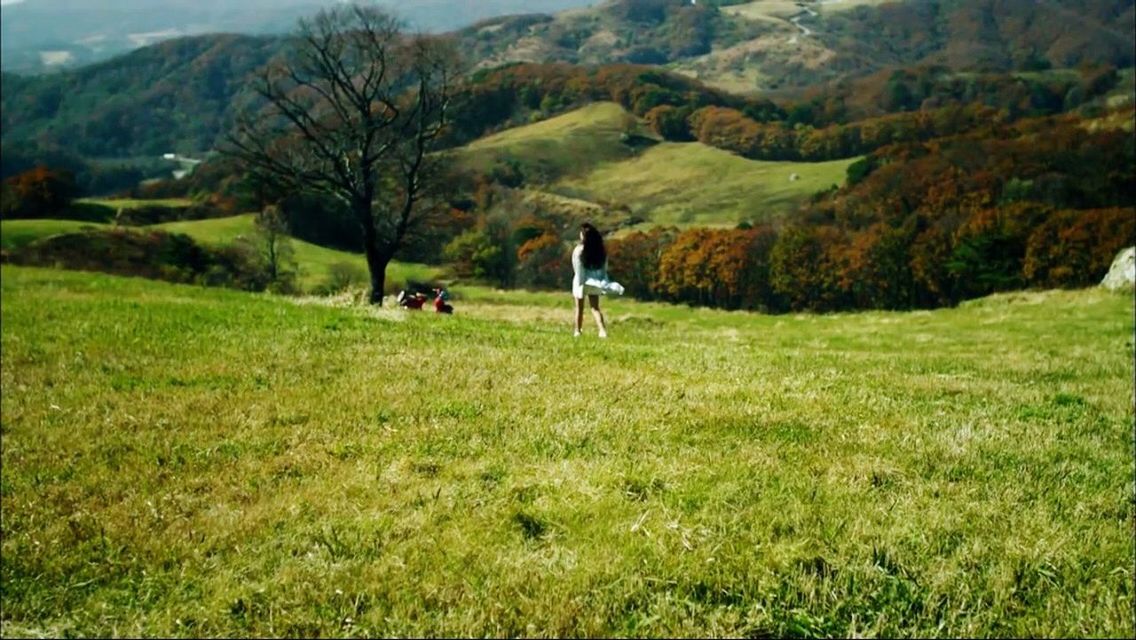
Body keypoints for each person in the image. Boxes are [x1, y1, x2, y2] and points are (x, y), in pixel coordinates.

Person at [571, 223, 623, 338]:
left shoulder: (579, 250)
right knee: (595, 308)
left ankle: (578, 331)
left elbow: (578, 269)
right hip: (595, 282)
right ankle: (602, 330)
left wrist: (579, 286)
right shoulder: (600, 251)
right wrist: (603, 281)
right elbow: (604, 269)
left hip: (582, 282)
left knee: (579, 308)